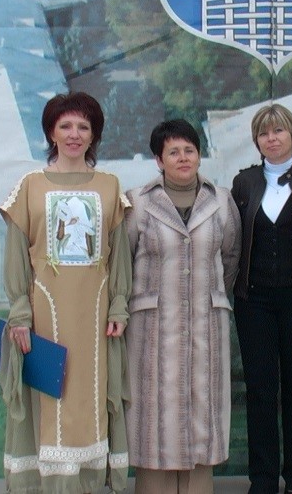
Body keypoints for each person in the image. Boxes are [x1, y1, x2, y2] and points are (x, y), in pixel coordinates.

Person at [0, 92, 131, 494]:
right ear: (51, 133)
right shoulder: (30, 186)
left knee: (91, 397)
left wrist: (119, 305)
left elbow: (118, 255)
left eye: (83, 127)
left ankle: (87, 481)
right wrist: (20, 312)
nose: (75, 134)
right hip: (43, 317)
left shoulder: (109, 186)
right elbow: (16, 256)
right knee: (49, 397)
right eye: (66, 126)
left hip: (95, 320)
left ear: (94, 135)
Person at [125, 119, 241, 494]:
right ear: (159, 160)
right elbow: (122, 261)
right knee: (155, 414)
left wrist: (208, 293)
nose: (182, 157)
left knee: (202, 410)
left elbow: (230, 258)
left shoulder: (220, 200)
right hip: (153, 328)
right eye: (173, 152)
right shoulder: (138, 202)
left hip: (207, 324)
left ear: (199, 155)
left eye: (189, 150)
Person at [231, 104, 292, 494]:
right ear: (256, 141)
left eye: (279, 131)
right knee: (259, 388)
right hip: (253, 301)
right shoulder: (244, 183)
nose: (272, 138)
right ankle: (263, 480)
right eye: (264, 133)